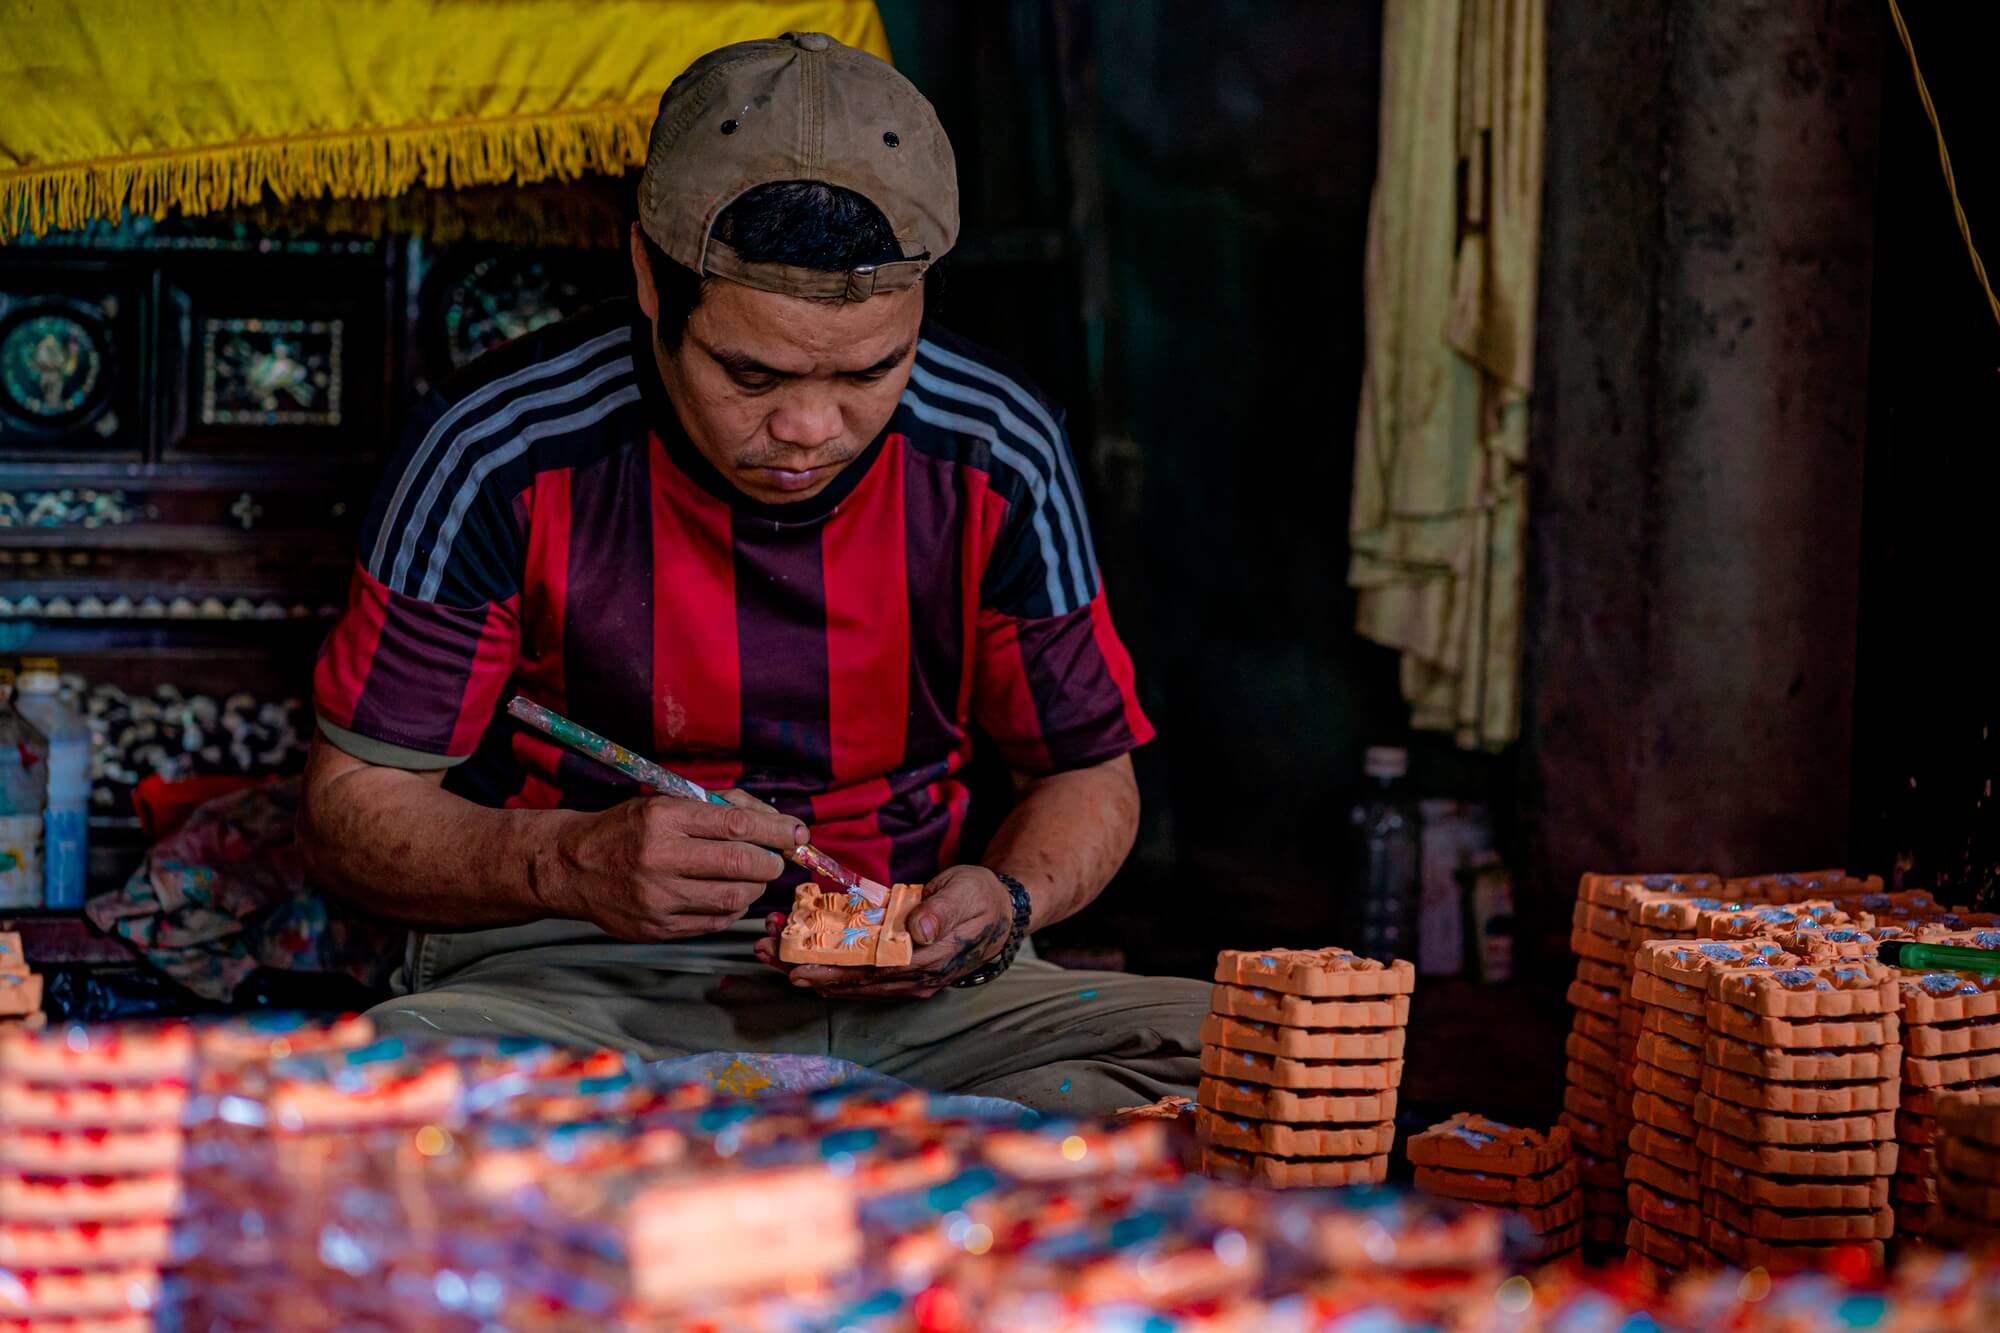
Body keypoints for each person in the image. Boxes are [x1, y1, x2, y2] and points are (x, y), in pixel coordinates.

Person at [300, 32, 1206, 1112]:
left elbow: (1089, 772)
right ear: (649, 275)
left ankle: (807, 1152)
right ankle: (916, 1163)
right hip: (581, 978)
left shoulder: (994, 446)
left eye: (871, 369)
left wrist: (1004, 905)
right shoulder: (499, 452)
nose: (810, 428)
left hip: (912, 988)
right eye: (752, 371)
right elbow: (347, 809)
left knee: (1229, 1052)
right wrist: (567, 863)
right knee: (389, 1083)